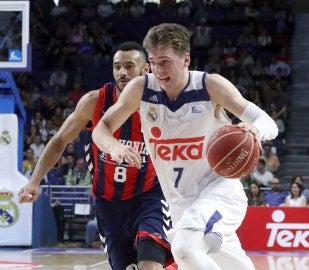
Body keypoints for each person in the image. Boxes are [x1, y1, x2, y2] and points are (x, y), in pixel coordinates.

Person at [92, 23, 278, 270]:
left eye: (165, 62)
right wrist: (114, 147)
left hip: (219, 192)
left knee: (184, 249)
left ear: (186, 59)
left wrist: (255, 130)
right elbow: (101, 128)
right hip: (181, 204)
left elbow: (268, 123)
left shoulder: (210, 86)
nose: (158, 70)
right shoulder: (141, 89)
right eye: (154, 62)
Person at [18, 42, 173, 270]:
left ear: (146, 69)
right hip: (109, 205)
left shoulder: (161, 103)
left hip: (149, 196)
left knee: (150, 263)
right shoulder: (93, 102)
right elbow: (59, 141)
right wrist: (34, 181)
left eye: (129, 66)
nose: (122, 72)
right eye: (117, 66)